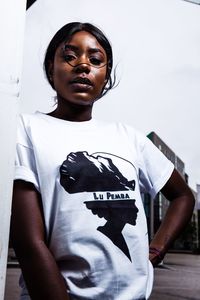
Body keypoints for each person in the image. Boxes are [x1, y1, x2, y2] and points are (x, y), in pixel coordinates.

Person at [11, 22, 195, 300]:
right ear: (52, 68)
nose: (83, 65)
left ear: (105, 75)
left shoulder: (128, 138)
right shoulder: (25, 129)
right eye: (70, 56)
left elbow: (182, 196)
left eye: (95, 60)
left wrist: (156, 250)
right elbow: (29, 243)